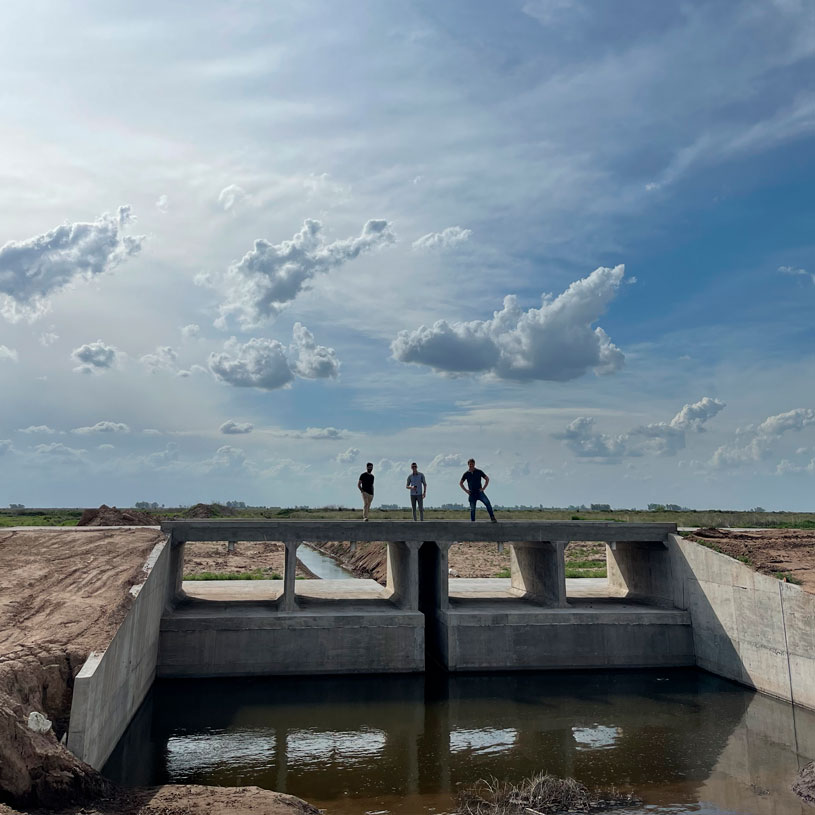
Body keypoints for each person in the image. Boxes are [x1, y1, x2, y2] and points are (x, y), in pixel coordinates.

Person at [459, 458, 497, 522]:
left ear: (474, 464)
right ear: (468, 465)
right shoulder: (466, 474)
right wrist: (466, 491)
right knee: (472, 509)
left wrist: (483, 488)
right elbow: (461, 483)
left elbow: (487, 479)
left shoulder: (479, 471)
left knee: (487, 503)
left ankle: (492, 517)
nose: (471, 465)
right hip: (472, 493)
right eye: (470, 464)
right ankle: (473, 522)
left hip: (479, 492)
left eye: (472, 464)